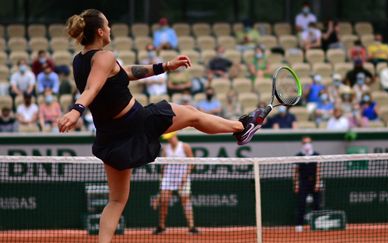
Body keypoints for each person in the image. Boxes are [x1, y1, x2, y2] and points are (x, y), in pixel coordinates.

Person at [59, 9, 259, 243]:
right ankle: (241, 127)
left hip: (109, 135)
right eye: (108, 25)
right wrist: (76, 110)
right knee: (192, 115)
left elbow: (125, 73)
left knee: (116, 201)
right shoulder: (104, 57)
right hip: (136, 122)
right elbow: (91, 89)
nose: (111, 28)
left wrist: (165, 66)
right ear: (101, 31)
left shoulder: (80, 60)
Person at [152, 132, 198, 235]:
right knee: (164, 202)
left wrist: (185, 175)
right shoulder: (165, 149)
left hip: (182, 178)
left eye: (170, 137)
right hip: (168, 178)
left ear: (174, 136)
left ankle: (192, 227)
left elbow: (192, 163)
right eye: (167, 138)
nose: (169, 140)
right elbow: (163, 166)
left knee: (185, 201)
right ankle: (161, 227)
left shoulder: (185, 146)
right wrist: (163, 178)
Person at [293, 136, 321, 233]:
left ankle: (317, 224)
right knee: (301, 204)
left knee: (316, 203)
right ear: (302, 144)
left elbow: (318, 170)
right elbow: (296, 172)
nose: (307, 144)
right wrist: (296, 184)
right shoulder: (298, 156)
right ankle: (299, 224)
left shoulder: (316, 155)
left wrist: (317, 183)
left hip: (314, 182)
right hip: (303, 182)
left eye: (308, 142)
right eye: (305, 143)